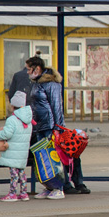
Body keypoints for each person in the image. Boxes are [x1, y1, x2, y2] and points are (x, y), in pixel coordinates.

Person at [31, 67, 66, 199]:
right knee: (43, 158)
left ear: (37, 69)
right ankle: (49, 186)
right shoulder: (38, 85)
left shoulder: (52, 85)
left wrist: (57, 128)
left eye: (29, 69)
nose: (27, 72)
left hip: (50, 127)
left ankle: (58, 187)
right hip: (40, 126)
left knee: (53, 158)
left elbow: (57, 107)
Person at [0, 90, 34, 202]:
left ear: (12, 106)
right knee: (21, 173)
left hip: (13, 152)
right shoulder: (28, 121)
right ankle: (24, 193)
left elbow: (7, 134)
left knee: (13, 174)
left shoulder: (12, 120)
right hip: (22, 152)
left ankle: (12, 194)